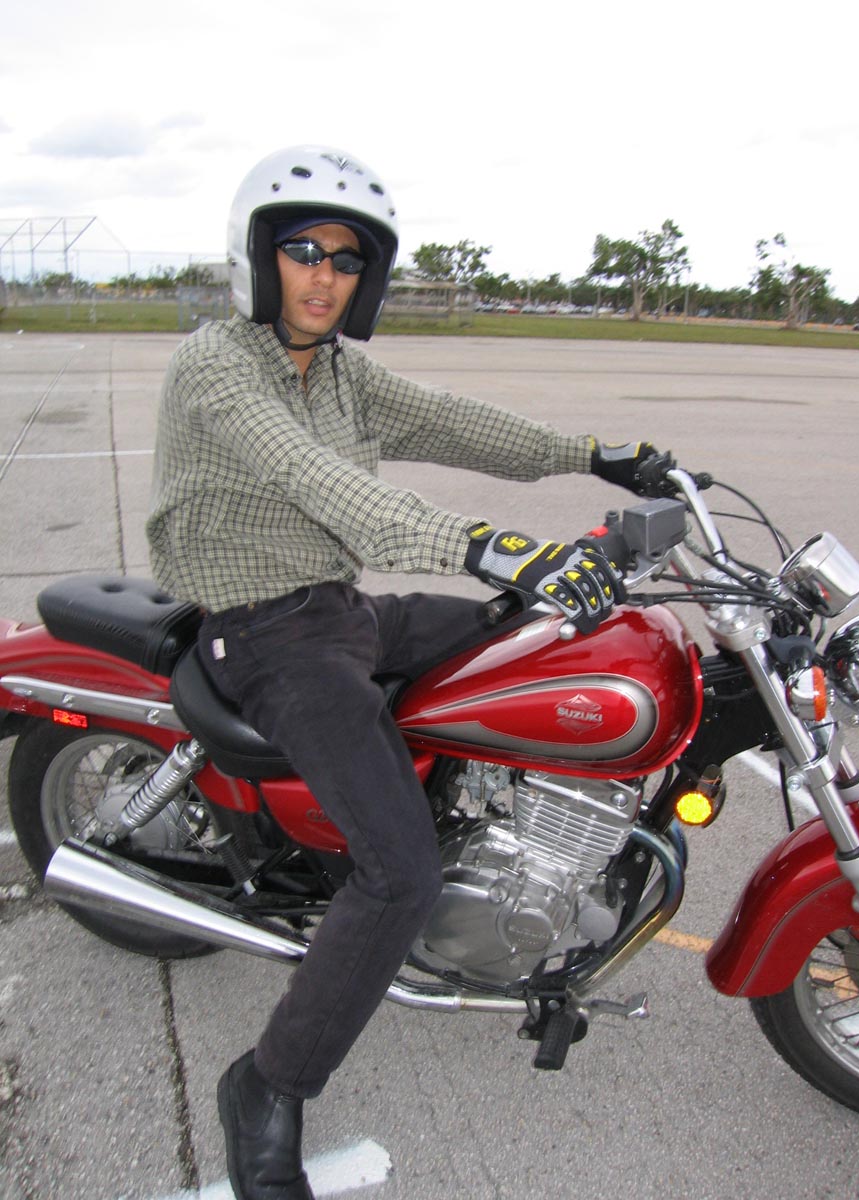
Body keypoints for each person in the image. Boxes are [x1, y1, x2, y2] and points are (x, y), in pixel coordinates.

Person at [146, 145, 665, 1200]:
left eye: (347, 259)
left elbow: (455, 423)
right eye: (304, 250)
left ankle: (501, 849)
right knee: (399, 872)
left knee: (534, 638)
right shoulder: (218, 367)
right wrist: (490, 543)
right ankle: (267, 1085)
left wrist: (595, 454)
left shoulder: (339, 369)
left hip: (340, 612)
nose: (324, 275)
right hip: (264, 633)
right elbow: (323, 483)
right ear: (260, 255)